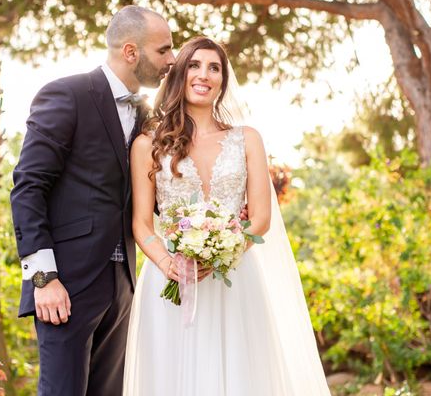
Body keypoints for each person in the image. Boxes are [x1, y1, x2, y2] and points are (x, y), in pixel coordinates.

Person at [124, 36, 332, 395]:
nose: (204, 74)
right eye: (194, 65)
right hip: (169, 279)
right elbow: (141, 223)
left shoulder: (247, 139)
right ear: (179, 73)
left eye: (214, 67)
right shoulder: (148, 144)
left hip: (235, 277)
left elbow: (261, 218)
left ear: (223, 80)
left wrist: (220, 250)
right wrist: (168, 263)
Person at [10, 5, 175, 396]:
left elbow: (148, 195)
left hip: (123, 284)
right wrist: (43, 278)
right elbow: (27, 187)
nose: (172, 60)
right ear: (131, 52)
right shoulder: (66, 94)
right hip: (66, 284)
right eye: (164, 50)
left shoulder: (147, 116)